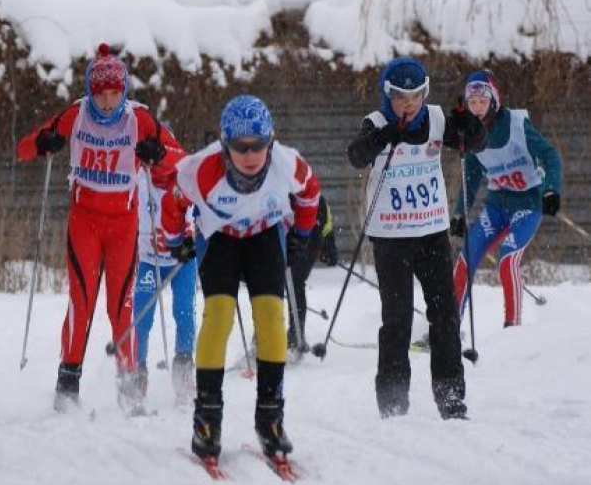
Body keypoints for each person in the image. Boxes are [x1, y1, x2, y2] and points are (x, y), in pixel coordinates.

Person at [16, 43, 183, 413]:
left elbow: (180, 161)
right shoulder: (76, 115)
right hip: (85, 222)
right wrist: (44, 142)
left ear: (123, 92)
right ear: (91, 91)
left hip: (124, 224)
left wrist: (159, 154)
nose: (107, 103)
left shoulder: (138, 119)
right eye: (100, 94)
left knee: (121, 305)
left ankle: (129, 388)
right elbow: (24, 149)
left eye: (114, 94)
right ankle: (67, 384)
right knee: (81, 302)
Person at [161, 94, 321, 462]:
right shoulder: (201, 169)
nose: (250, 156)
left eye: (258, 146)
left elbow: (311, 193)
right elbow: (173, 203)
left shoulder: (286, 163)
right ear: (224, 144)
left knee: (271, 317)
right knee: (217, 316)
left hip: (264, 236)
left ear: (271, 140)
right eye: (240, 147)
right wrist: (177, 241)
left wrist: (302, 233)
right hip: (219, 239)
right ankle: (207, 419)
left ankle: (271, 418)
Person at [346, 56, 487, 420]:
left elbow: (476, 141)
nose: (409, 105)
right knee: (397, 321)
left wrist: (471, 127)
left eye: (415, 96)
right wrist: (382, 138)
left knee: (444, 317)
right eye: (400, 97)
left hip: (431, 235)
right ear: (387, 95)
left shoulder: (438, 119)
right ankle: (393, 403)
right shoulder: (375, 123)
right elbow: (356, 155)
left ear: (424, 94)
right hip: (391, 239)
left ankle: (452, 401)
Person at [451, 70, 562, 327]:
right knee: (466, 257)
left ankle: (513, 327)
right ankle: (449, 328)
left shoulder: (515, 123)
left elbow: (550, 154)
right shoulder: (470, 134)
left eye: (482, 101)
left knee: (507, 258)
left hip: (527, 205)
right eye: (472, 103)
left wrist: (551, 189)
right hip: (496, 207)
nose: (477, 108)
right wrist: (459, 213)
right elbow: (471, 177)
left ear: (494, 101)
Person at [133, 167, 197, 403]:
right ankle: (137, 372)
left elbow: (195, 213)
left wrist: (191, 237)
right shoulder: (139, 179)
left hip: (182, 261)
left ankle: (183, 368)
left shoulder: (184, 180)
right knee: (141, 316)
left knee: (184, 312)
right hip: (150, 261)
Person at [285, 194, 337, 354]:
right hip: (273, 232)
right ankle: (263, 336)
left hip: (308, 234)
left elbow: (321, 208)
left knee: (295, 281)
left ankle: (296, 336)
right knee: (266, 284)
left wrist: (328, 242)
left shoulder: (303, 179)